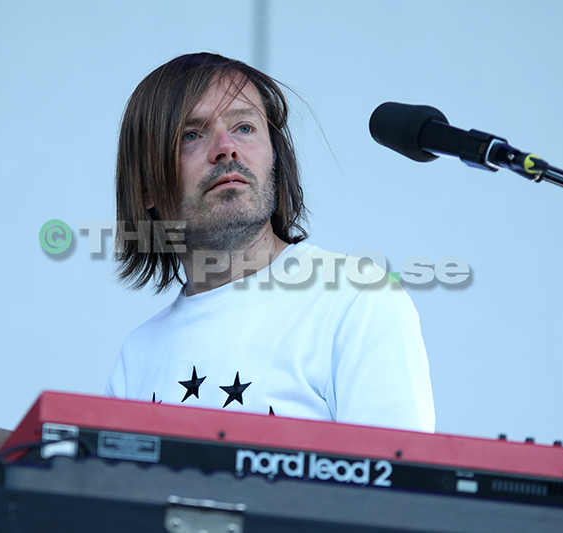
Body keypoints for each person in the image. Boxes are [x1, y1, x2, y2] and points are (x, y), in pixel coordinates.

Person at [105, 52, 435, 432]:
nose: (226, 148)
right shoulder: (137, 355)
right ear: (146, 187)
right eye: (191, 135)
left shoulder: (357, 299)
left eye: (244, 127)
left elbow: (395, 468)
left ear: (275, 158)